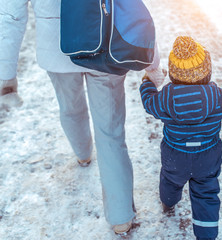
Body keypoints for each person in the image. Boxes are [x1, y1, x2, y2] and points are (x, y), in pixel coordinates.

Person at [0, 0, 165, 234]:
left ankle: (83, 153)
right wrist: (152, 62)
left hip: (56, 48)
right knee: (110, 134)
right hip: (106, 45)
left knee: (70, 109)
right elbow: (132, 7)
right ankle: (120, 217)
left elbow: (11, 14)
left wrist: (6, 77)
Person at [140, 36, 222, 240]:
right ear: (206, 71)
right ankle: (206, 235)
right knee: (206, 194)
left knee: (170, 179)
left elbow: (148, 102)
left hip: (174, 155)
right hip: (207, 156)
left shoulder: (165, 99)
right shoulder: (217, 97)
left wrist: (147, 82)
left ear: (173, 73)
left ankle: (168, 201)